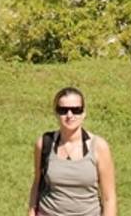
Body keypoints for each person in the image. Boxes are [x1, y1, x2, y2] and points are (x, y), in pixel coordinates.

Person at [27, 87, 117, 216]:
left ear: (84, 113)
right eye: (63, 110)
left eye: (76, 110)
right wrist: (31, 211)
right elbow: (37, 183)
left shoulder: (99, 147)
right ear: (56, 113)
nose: (69, 115)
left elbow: (109, 198)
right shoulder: (44, 143)